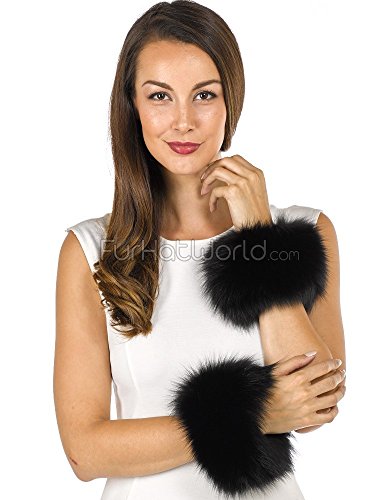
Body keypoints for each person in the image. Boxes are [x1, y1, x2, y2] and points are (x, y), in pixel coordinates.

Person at [54, 1, 346, 499]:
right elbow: (85, 450)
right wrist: (247, 415)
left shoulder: (303, 230)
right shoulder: (93, 250)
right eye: (160, 96)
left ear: (232, 100)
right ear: (133, 106)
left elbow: (317, 404)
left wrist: (258, 235)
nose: (183, 121)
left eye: (204, 95)